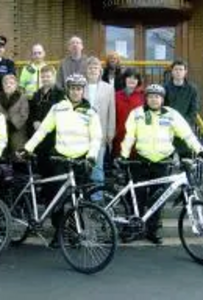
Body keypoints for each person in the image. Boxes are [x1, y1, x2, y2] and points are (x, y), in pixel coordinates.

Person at [22, 73, 102, 247]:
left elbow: (96, 138)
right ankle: (58, 233)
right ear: (68, 90)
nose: (75, 92)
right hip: (60, 158)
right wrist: (28, 147)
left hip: (81, 160)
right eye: (73, 88)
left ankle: (75, 233)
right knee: (56, 199)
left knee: (78, 201)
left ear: (83, 91)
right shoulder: (58, 108)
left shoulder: (90, 112)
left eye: (79, 89)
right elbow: (42, 130)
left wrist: (91, 157)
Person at [120, 84, 203, 245]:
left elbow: (187, 134)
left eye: (157, 96)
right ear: (146, 98)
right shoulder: (137, 114)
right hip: (140, 160)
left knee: (158, 197)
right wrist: (123, 156)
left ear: (162, 99)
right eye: (151, 96)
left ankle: (152, 230)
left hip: (162, 162)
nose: (154, 99)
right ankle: (132, 229)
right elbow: (129, 136)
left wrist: (199, 150)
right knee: (136, 196)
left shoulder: (171, 114)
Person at [27, 65, 65, 187]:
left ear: (54, 77)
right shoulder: (37, 94)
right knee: (42, 167)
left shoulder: (61, 94)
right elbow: (31, 113)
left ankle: (54, 199)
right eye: (43, 76)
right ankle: (45, 196)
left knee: (54, 170)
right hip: (40, 138)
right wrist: (34, 121)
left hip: (53, 137)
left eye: (48, 76)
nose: (45, 79)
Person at [84, 56, 115, 199]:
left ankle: (97, 198)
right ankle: (82, 198)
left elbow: (111, 111)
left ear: (100, 71)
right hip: (81, 134)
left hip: (100, 134)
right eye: (90, 68)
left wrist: (110, 131)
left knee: (97, 167)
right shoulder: (79, 86)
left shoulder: (108, 88)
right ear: (86, 70)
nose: (93, 70)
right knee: (82, 168)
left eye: (96, 68)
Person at [164, 60, 199, 158]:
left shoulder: (192, 89)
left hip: (184, 129)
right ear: (172, 71)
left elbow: (193, 110)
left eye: (181, 69)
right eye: (176, 69)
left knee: (186, 161)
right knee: (166, 161)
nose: (178, 72)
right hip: (167, 129)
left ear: (185, 72)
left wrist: (184, 123)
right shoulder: (165, 88)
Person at [0, 74, 29, 161]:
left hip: (17, 129)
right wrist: (3, 124)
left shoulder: (22, 97)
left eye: (11, 83)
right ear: (2, 85)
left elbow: (24, 114)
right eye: (6, 83)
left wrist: (12, 124)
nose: (8, 85)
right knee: (0, 152)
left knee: (17, 152)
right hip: (0, 128)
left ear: (16, 85)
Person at [112, 68, 144, 157]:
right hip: (119, 136)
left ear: (138, 81)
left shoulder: (143, 96)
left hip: (137, 138)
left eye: (135, 78)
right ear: (124, 79)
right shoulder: (116, 96)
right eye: (129, 77)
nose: (132, 80)